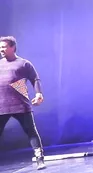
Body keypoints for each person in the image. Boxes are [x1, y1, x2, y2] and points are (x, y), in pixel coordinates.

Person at [0, 36, 46, 170]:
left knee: (31, 131)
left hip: (20, 105)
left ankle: (39, 159)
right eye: (0, 47)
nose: (1, 49)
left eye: (3, 46)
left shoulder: (23, 63)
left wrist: (38, 94)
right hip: (2, 106)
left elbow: (35, 79)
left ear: (12, 47)